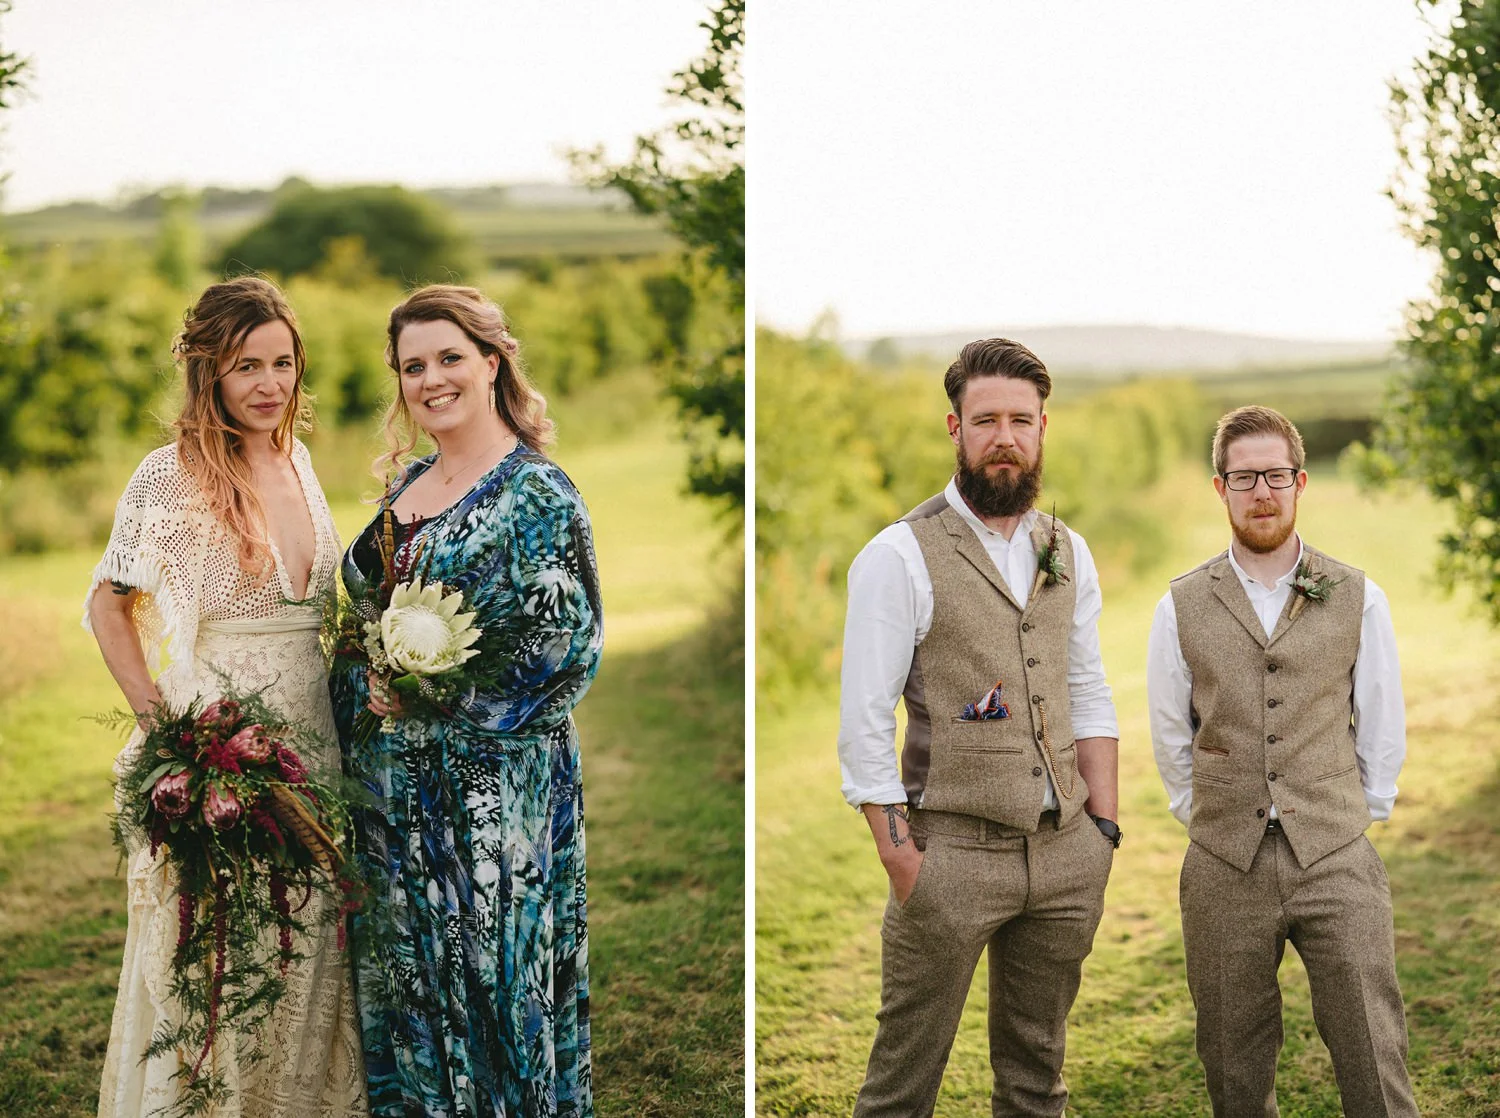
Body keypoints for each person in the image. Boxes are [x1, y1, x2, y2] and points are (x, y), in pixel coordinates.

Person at [85, 276, 367, 1117]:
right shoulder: (167, 476)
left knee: (305, 944)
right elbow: (109, 602)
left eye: (283, 363)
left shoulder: (300, 458)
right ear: (209, 371)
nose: (269, 384)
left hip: (314, 747)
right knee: (215, 957)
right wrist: (166, 730)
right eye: (248, 365)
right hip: (222, 748)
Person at [330, 284, 603, 1118]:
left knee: (491, 984)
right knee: (409, 985)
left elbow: (564, 647)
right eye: (413, 366)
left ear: (492, 362)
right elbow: (363, 617)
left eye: (450, 358)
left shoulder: (536, 493)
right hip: (390, 797)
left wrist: (434, 697)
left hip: (489, 800)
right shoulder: (409, 482)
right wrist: (364, 675)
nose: (431, 379)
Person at [837, 337, 1120, 1117]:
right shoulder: (899, 555)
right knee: (901, 1086)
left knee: (1038, 1077)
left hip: (1068, 855)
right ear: (953, 428)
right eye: (985, 419)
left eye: (1020, 420)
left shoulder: (1069, 550)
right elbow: (864, 722)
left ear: (1042, 429)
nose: (1005, 436)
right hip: (949, 853)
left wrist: (1103, 829)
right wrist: (906, 867)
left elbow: (1089, 689)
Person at [1146, 405, 1418, 1117]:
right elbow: (1170, 734)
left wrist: (1358, 812)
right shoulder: (1178, 605)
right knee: (1233, 1061)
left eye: (1274, 475)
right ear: (1221, 488)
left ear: (1300, 482)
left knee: (1372, 1044)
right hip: (1223, 861)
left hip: (1336, 852)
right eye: (1244, 477)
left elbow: (1382, 723)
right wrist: (1208, 817)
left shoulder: (1360, 596)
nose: (1261, 491)